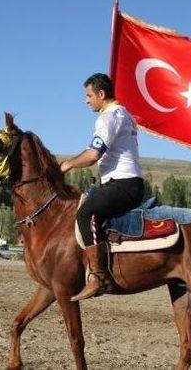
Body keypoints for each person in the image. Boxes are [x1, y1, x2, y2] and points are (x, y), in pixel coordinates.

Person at [60, 73, 144, 301]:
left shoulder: (108, 117)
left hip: (124, 184)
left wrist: (66, 165)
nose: (86, 101)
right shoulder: (123, 113)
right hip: (126, 182)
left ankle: (98, 277)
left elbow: (93, 155)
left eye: (88, 96)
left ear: (101, 94)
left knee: (86, 213)